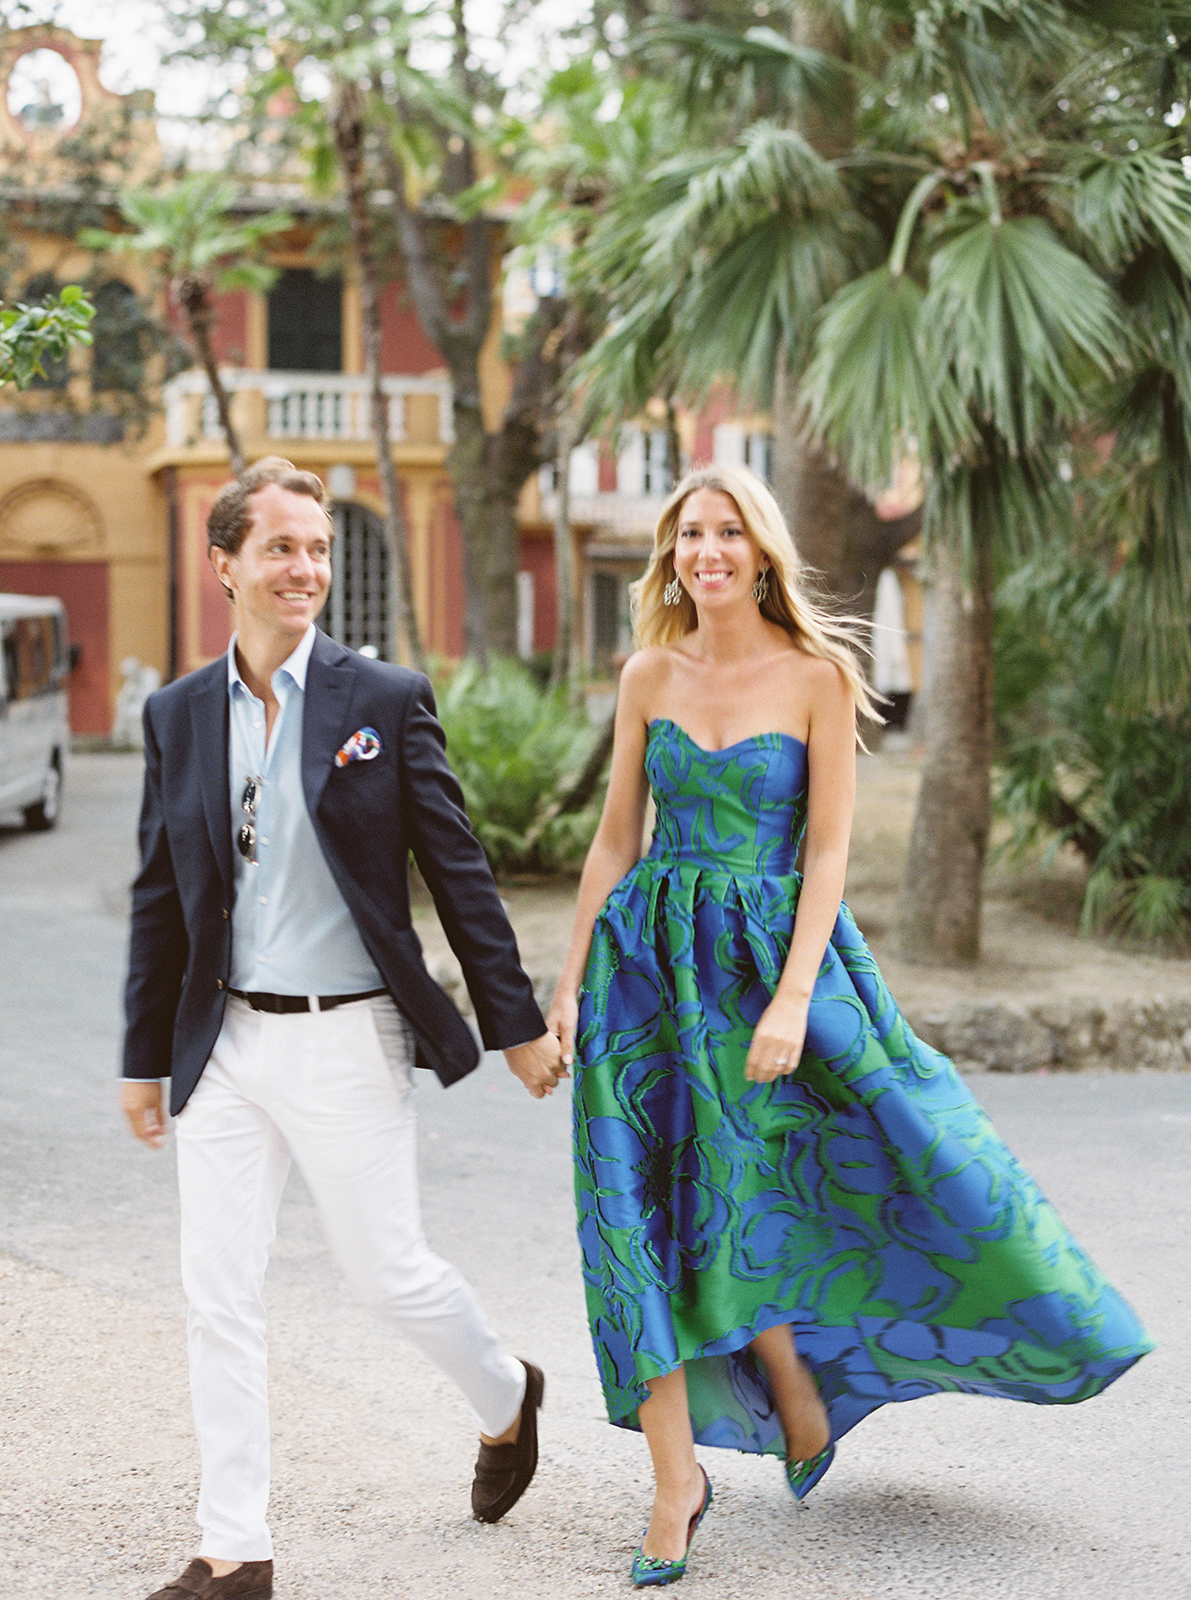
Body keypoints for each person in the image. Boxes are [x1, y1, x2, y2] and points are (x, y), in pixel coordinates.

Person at [546, 465, 1152, 1589]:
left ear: (763, 551)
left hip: (764, 963)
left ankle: (803, 1393)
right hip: (646, 970)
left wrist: (789, 998)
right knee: (632, 1215)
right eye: (690, 534)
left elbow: (826, 852)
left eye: (728, 532)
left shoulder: (819, 675)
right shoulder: (645, 673)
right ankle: (676, 1479)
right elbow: (612, 842)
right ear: (672, 553)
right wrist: (569, 983)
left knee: (768, 1190)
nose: (706, 551)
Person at [121, 457, 565, 1600]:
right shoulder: (175, 715)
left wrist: (511, 1020)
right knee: (217, 1289)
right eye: (281, 548)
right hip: (223, 1047)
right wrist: (140, 1057)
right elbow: (160, 896)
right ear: (225, 564)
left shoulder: (382, 699)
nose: (306, 568)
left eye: (317, 548)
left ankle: (508, 1395)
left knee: (386, 1273)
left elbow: (456, 870)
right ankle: (236, 1547)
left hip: (347, 1033)